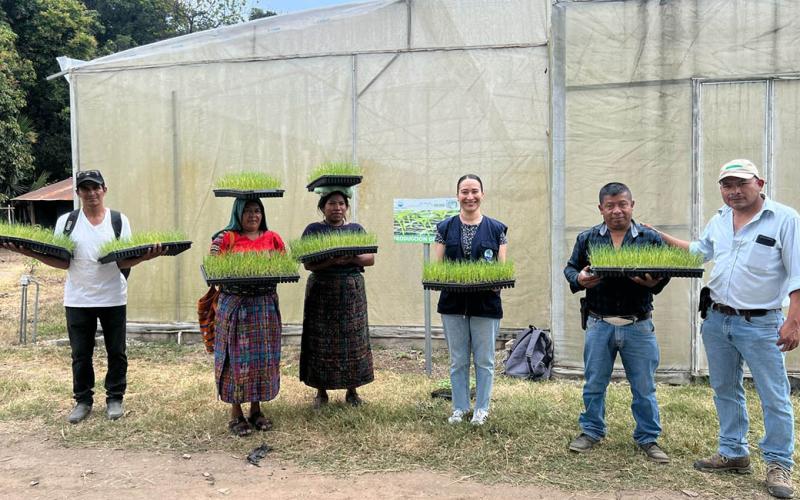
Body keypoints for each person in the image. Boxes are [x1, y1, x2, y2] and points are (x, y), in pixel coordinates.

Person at [654, 159, 799, 499]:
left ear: (759, 183)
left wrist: (793, 320)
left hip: (761, 323)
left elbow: (797, 273)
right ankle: (734, 451)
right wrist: (657, 235)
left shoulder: (785, 219)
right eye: (726, 185)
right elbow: (698, 253)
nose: (734, 191)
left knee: (773, 395)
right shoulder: (720, 219)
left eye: (741, 184)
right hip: (717, 319)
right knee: (724, 388)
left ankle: (779, 463)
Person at [2, 170, 162, 423]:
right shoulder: (67, 222)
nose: (91, 193)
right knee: (80, 354)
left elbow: (123, 261)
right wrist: (30, 252)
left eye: (95, 187)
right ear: (78, 193)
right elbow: (63, 262)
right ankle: (83, 401)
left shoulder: (118, 221)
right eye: (85, 189)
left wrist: (146, 256)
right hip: (78, 299)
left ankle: (115, 398)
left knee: (116, 351)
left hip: (112, 296)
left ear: (104, 189)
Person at [563, 182, 671, 463]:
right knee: (594, 382)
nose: (617, 210)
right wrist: (580, 279)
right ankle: (591, 430)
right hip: (600, 323)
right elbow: (571, 268)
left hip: (638, 324)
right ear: (601, 209)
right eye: (610, 206)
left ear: (632, 205)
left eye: (622, 204)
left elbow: (665, 271)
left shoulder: (649, 238)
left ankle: (648, 438)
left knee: (644, 386)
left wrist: (654, 282)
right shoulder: (588, 238)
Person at [433, 174, 508, 426]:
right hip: (453, 304)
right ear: (457, 196)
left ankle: (482, 408)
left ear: (482, 194)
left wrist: (489, 281)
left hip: (485, 305)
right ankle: (460, 407)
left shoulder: (497, 229)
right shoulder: (444, 228)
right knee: (458, 360)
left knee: (485, 360)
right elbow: (438, 268)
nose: (470, 196)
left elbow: (501, 271)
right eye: (464, 191)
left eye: (474, 191)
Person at [209, 198, 285, 436]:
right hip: (236, 305)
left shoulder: (273, 237)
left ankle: (256, 410)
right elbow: (213, 270)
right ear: (237, 213)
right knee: (236, 359)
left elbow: (285, 265)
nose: (253, 215)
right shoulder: (225, 239)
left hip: (264, 306)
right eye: (247, 211)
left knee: (262, 359)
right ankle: (235, 413)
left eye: (257, 211)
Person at [299, 187, 375, 408]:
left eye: (341, 203)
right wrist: (331, 261)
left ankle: (353, 390)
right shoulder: (313, 230)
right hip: (322, 290)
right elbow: (307, 263)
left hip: (351, 290)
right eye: (332, 203)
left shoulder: (356, 229)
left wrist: (349, 258)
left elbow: (369, 258)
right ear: (322, 207)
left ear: (346, 207)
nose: (337, 207)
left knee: (353, 339)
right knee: (320, 338)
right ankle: (321, 391)